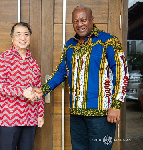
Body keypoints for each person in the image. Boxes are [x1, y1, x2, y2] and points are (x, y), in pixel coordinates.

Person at [33, 5, 128, 150]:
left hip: (101, 114)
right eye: (75, 21)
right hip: (77, 114)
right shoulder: (70, 45)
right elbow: (61, 72)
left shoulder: (108, 42)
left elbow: (122, 74)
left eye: (83, 20)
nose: (79, 24)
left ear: (92, 20)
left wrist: (116, 106)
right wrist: (43, 90)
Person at [0, 22, 44, 150]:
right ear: (12, 38)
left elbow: (39, 90)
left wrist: (40, 114)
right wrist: (22, 92)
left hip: (30, 118)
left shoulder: (34, 63)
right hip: (10, 118)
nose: (23, 38)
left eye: (26, 34)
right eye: (19, 34)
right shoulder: (3, 59)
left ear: (29, 38)